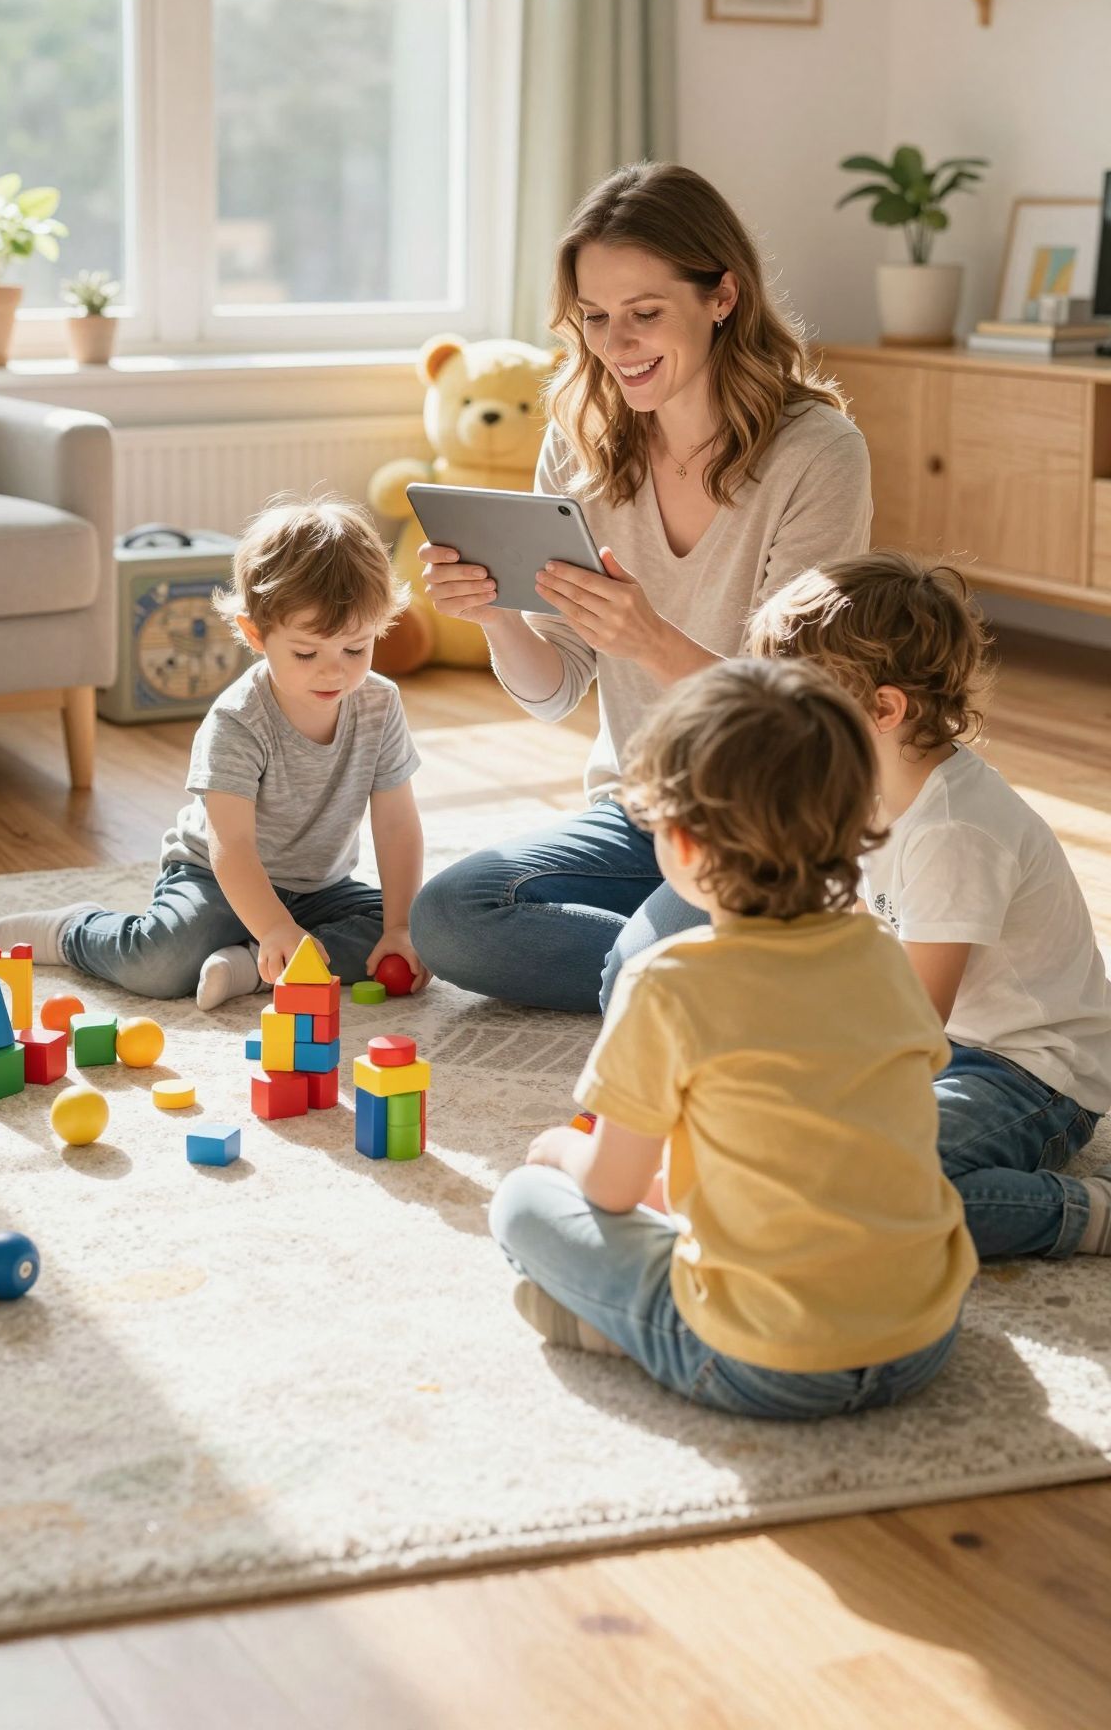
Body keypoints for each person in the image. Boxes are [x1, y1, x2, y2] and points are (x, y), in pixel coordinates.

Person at [409, 160, 871, 1011]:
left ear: (721, 297)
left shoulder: (818, 454)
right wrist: (498, 616)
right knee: (449, 916)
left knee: (636, 973)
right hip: (645, 811)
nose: (616, 346)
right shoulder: (580, 444)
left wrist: (652, 640)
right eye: (594, 318)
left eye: (646, 314)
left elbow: (804, 719)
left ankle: (686, 972)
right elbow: (558, 693)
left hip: (771, 815)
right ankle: (728, 977)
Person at [490, 659, 976, 1416]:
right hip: (922, 1338)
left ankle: (636, 1333)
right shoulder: (882, 952)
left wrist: (561, 1150)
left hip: (767, 1362)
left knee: (522, 1203)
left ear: (680, 844)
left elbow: (612, 1188)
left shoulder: (668, 983)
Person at [745, 552, 1111, 1260]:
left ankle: (1081, 1214)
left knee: (867, 1186)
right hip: (943, 1046)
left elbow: (913, 1026)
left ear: (883, 709)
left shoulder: (954, 833)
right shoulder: (855, 785)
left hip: (1028, 1071)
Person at [0, 497, 431, 1007]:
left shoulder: (379, 703)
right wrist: (271, 925)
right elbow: (231, 847)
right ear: (255, 635)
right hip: (216, 879)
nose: (335, 671)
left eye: (356, 648)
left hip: (321, 888)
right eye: (306, 653)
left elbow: (397, 825)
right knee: (159, 963)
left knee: (427, 933)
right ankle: (74, 932)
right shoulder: (238, 719)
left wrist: (399, 927)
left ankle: (254, 966)